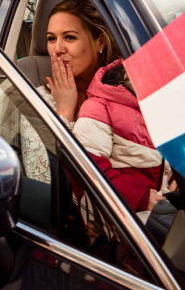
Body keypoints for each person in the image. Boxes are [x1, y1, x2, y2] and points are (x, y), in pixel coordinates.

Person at [20, 0, 123, 183]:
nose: (57, 49)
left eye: (69, 37)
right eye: (51, 39)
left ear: (100, 42)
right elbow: (44, 181)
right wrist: (65, 111)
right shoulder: (36, 100)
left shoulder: (124, 93)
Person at [73, 61, 175, 216]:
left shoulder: (158, 105)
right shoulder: (99, 107)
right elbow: (88, 168)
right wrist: (139, 197)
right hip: (126, 215)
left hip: (165, 205)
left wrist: (182, 181)